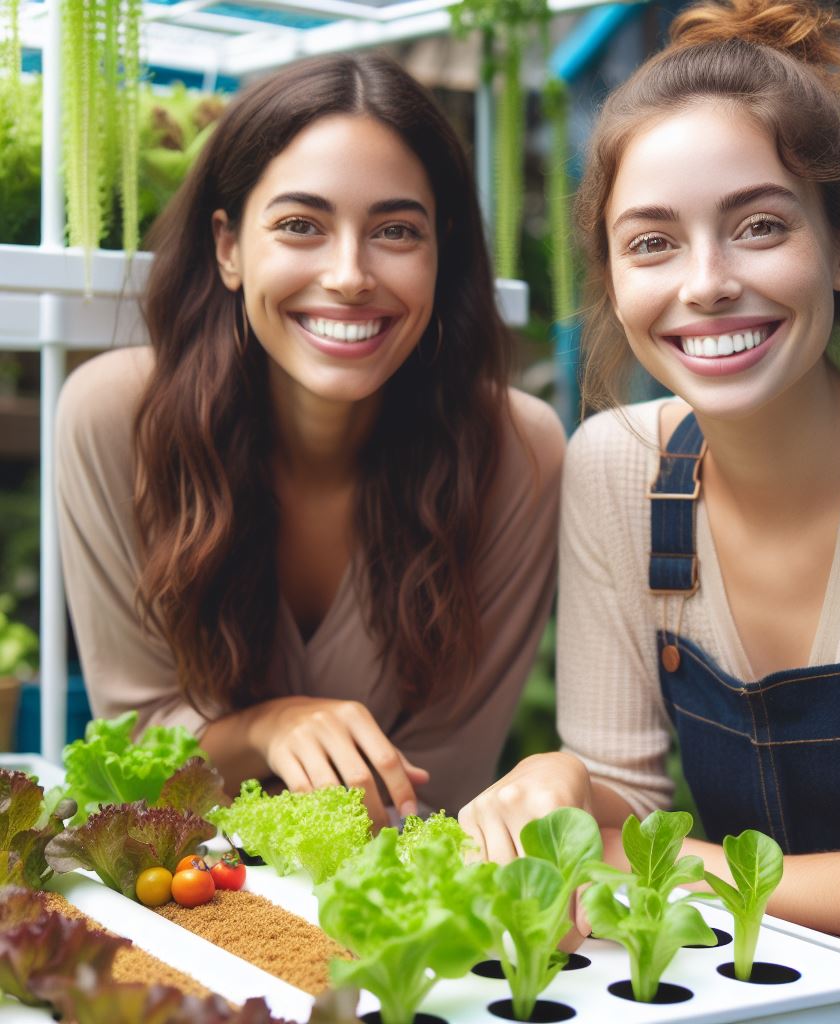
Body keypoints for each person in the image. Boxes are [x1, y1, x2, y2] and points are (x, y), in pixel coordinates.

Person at [458, 1, 840, 1015]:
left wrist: (629, 853)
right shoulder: (618, 466)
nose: (708, 283)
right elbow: (621, 806)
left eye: (759, 226)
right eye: (652, 243)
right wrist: (564, 784)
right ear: (616, 280)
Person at [56, 53, 564, 830]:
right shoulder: (116, 418)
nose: (350, 274)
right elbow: (133, 756)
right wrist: (271, 724)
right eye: (301, 225)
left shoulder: (515, 455)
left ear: (442, 252)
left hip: (391, 915)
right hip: (180, 893)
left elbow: (437, 787)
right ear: (228, 247)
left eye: (395, 230)